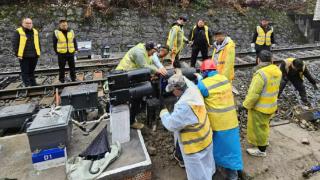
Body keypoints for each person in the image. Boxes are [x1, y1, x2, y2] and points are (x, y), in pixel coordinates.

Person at [159, 73, 215, 180]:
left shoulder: (185, 106)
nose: (172, 93)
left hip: (194, 146)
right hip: (206, 137)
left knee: (197, 175)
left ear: (178, 89)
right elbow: (183, 77)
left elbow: (171, 124)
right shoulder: (192, 88)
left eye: (172, 90)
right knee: (207, 165)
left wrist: (163, 112)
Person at [195, 59, 243, 180]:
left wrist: (199, 80)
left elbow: (198, 93)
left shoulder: (203, 84)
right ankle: (234, 175)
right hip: (231, 121)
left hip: (218, 123)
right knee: (232, 149)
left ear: (204, 72)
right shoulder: (224, 79)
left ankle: (217, 171)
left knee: (217, 149)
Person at [116, 42, 164, 129]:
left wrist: (159, 69)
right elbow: (144, 66)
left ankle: (135, 113)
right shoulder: (139, 52)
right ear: (150, 49)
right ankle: (131, 122)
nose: (153, 55)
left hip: (132, 75)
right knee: (135, 98)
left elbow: (151, 63)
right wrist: (157, 71)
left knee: (137, 97)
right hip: (124, 76)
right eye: (153, 52)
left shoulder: (146, 52)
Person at [242, 50, 282, 157]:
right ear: (272, 60)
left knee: (258, 128)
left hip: (260, 108)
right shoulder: (277, 71)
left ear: (258, 60)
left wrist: (245, 105)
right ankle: (264, 141)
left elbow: (253, 94)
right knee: (265, 126)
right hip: (271, 105)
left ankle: (261, 149)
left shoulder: (260, 74)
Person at [12, 17, 41, 87]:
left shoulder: (35, 31)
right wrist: (17, 54)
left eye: (30, 23)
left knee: (32, 71)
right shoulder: (18, 31)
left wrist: (39, 52)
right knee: (25, 72)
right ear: (23, 24)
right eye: (27, 23)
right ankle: (27, 85)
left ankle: (33, 84)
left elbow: (38, 43)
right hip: (23, 56)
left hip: (34, 55)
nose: (29, 24)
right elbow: (15, 44)